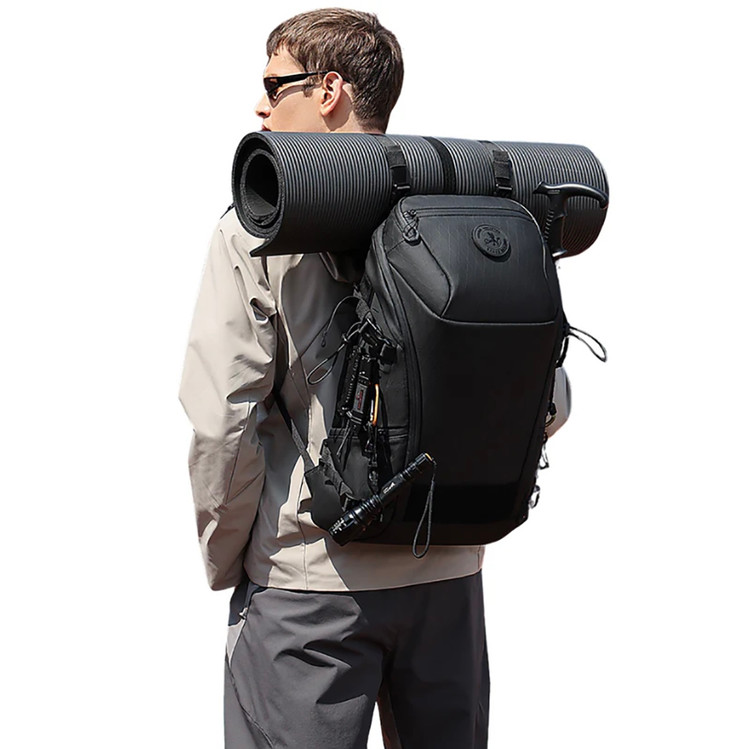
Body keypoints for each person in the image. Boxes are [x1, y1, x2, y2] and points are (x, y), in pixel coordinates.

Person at [180, 8, 568, 748]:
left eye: (274, 85)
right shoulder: (471, 214)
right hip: (448, 578)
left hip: (309, 587)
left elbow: (221, 419)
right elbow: (546, 396)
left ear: (328, 91)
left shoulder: (255, 227)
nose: (259, 106)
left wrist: (234, 556)